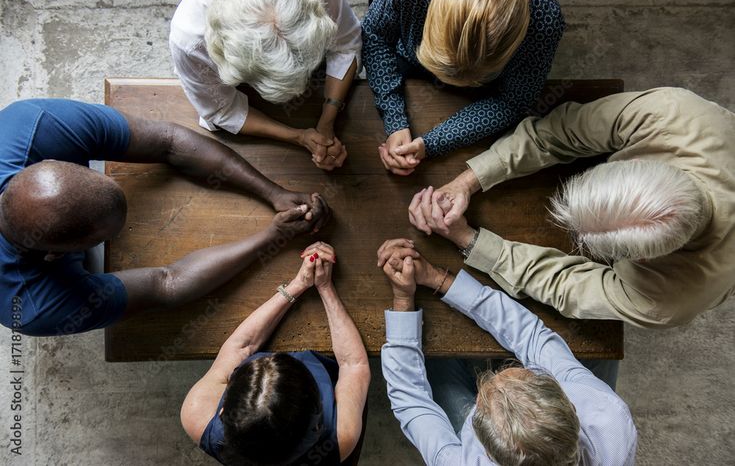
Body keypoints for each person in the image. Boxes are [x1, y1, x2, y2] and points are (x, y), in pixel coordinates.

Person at [407, 87, 735, 328]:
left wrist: (468, 240)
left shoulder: (665, 302)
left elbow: (564, 286)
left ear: (643, 258)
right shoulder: (673, 112)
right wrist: (468, 180)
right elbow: (563, 132)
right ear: (635, 161)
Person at [0, 98, 330, 336]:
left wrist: (272, 192)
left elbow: (168, 141)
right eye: (105, 237)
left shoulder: (29, 126)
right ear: (56, 255)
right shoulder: (31, 306)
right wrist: (271, 238)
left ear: (54, 162)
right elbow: (166, 283)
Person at [376, 238, 637, 465]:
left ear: (489, 454)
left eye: (482, 399)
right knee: (599, 338)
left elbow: (411, 400)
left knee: (435, 359)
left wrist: (402, 300)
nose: (495, 373)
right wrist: (437, 278)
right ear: (570, 405)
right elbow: (532, 337)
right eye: (529, 374)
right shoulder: (608, 416)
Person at [181, 242, 370, 465]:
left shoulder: (197, 415)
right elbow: (352, 365)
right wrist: (325, 287)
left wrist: (297, 285)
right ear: (318, 414)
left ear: (222, 412)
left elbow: (242, 347)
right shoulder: (341, 436)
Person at [362, 0, 564, 176]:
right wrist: (394, 119)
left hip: (485, 91)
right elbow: (375, 35)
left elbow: (513, 101)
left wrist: (433, 143)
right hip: (407, 56)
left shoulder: (546, 22)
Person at [170, 0, 362, 171]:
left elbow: (345, 44)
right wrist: (298, 136)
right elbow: (222, 109)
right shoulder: (188, 39)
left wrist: (327, 121)